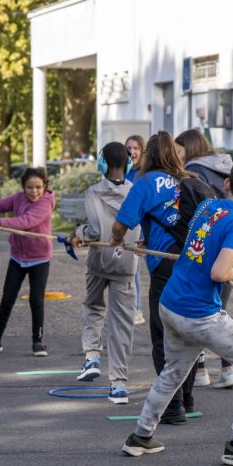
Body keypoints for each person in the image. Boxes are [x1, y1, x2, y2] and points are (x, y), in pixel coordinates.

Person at [118, 157, 233, 466]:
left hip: (170, 303)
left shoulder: (207, 207)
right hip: (198, 314)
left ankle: (140, 436)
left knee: (173, 371)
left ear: (227, 183)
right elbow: (219, 273)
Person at [112, 132, 208, 424]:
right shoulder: (194, 181)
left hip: (165, 270)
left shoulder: (145, 183)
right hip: (196, 265)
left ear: (149, 155)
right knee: (189, 330)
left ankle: (173, 404)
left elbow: (122, 224)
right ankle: (188, 397)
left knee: (162, 335)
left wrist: (118, 240)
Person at [69, 142, 139, 404]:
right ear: (128, 163)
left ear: (102, 163)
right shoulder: (135, 191)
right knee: (122, 323)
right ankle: (119, 384)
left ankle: (92, 357)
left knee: (93, 307)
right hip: (126, 264)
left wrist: (78, 234)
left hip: (99, 261)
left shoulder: (93, 192)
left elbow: (96, 231)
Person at [176, 129, 233, 390]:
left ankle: (201, 369)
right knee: (219, 310)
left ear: (189, 149)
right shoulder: (224, 166)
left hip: (205, 248)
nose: (176, 156)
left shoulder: (194, 172)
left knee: (201, 311)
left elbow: (197, 214)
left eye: (179, 150)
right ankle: (228, 368)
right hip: (231, 244)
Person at [0, 167, 56, 357]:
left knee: (36, 299)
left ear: (45, 186)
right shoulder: (18, 198)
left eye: (38, 187)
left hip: (39, 258)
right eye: (29, 188)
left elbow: (24, 222)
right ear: (23, 187)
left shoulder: (45, 203)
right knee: (7, 297)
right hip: (18, 256)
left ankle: (38, 342)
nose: (34, 191)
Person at [125, 134, 147, 326]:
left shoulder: (144, 174)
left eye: (136, 148)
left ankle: (138, 309)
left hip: (142, 227)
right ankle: (132, 308)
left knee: (136, 270)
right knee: (130, 270)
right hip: (127, 227)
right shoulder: (124, 172)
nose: (132, 152)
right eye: (129, 148)